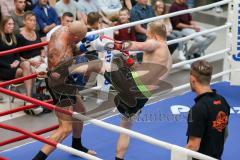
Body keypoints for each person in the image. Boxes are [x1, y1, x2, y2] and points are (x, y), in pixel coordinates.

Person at [70, 20, 172, 160]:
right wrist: (129, 60)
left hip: (132, 87)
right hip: (141, 98)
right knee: (125, 130)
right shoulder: (168, 56)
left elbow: (131, 45)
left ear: (154, 35)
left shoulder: (155, 43)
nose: (147, 37)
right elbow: (143, 72)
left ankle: (63, 73)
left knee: (98, 64)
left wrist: (102, 42)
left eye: (148, 34)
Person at [32, 20, 96, 160]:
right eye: (79, 40)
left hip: (64, 81)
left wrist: (85, 47)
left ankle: (77, 146)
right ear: (74, 37)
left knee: (80, 112)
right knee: (65, 128)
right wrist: (85, 70)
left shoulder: (64, 31)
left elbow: (72, 49)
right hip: (60, 85)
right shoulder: (60, 49)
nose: (78, 41)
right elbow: (59, 73)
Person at [186, 60, 230, 159]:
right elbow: (225, 133)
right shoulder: (222, 101)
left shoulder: (197, 110)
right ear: (209, 79)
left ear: (193, 79)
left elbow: (193, 146)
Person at [0, 16, 33, 99]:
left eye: (13, 24)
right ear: (3, 25)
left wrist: (17, 60)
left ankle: (28, 97)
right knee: (29, 73)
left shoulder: (13, 36)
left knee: (26, 64)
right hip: (4, 68)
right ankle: (30, 98)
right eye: (9, 24)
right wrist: (9, 66)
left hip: (15, 65)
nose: (12, 26)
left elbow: (17, 53)